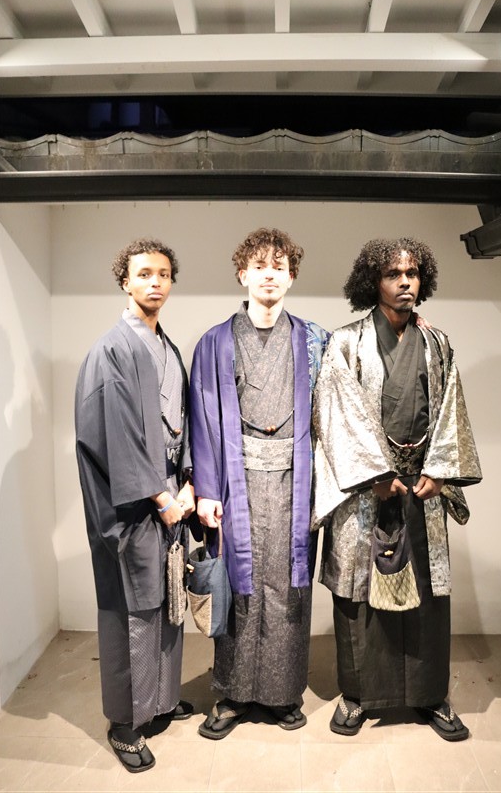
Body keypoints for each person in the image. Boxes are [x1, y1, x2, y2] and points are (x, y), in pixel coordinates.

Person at [311, 237, 482, 742]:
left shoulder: (437, 343)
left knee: (427, 594)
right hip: (366, 489)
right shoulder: (346, 343)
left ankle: (431, 696)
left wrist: (442, 472)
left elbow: (450, 410)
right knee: (360, 595)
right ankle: (357, 696)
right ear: (373, 282)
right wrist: (375, 474)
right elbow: (333, 414)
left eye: (412, 273)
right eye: (393, 274)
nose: (405, 282)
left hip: (422, 485)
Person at [190, 227, 329, 739]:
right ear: (242, 274)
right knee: (240, 584)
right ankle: (231, 694)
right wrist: (207, 490)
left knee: (289, 586)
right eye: (259, 265)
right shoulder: (215, 342)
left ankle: (284, 693)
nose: (269, 274)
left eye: (279, 266)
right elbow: (203, 418)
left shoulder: (315, 341)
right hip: (236, 482)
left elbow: (333, 410)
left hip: (296, 482)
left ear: (291, 277)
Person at [75, 238, 198, 772]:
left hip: (169, 495)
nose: (155, 282)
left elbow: (184, 422)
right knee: (133, 610)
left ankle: (161, 701)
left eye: (164, 274)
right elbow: (114, 436)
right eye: (144, 273)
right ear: (124, 281)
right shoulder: (111, 350)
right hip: (131, 504)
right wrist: (160, 495)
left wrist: (188, 480)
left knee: (167, 600)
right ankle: (125, 723)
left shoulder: (169, 350)